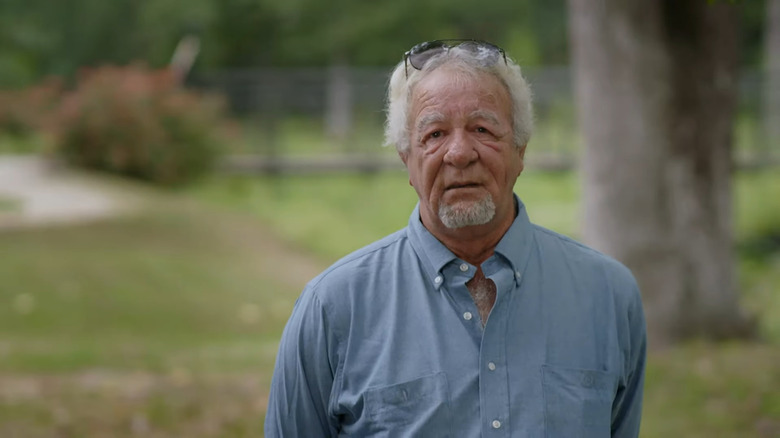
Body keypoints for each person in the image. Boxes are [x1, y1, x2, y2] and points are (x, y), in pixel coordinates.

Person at [265, 39, 646, 437]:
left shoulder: (608, 296)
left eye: (482, 129)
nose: (459, 153)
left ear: (521, 151)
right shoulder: (331, 309)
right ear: (406, 160)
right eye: (434, 134)